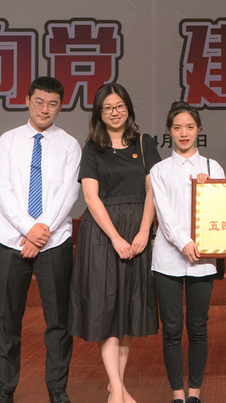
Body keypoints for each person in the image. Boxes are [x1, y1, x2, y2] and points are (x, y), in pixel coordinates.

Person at [0, 77, 81, 403]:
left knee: (58, 320)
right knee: (7, 318)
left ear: (61, 106)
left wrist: (41, 233)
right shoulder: (8, 140)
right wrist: (29, 229)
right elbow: (2, 190)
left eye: (52, 104)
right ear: (27, 100)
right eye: (39, 102)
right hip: (11, 240)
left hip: (54, 242)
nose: (45, 109)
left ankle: (57, 388)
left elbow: (69, 194)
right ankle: (4, 389)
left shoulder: (69, 145)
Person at [68, 83, 160, 403]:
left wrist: (143, 232)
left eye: (119, 106)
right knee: (105, 308)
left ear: (128, 108)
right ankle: (117, 389)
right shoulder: (92, 148)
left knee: (128, 310)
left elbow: (152, 190)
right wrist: (116, 237)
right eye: (107, 107)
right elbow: (91, 197)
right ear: (99, 113)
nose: (114, 112)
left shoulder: (144, 143)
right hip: (102, 236)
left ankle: (116, 386)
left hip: (137, 231)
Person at [150, 101, 224, 403]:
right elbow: (164, 215)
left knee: (197, 328)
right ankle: (177, 394)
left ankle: (194, 392)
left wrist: (211, 188)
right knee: (171, 329)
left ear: (199, 130)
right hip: (167, 258)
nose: (184, 133)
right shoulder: (159, 170)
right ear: (169, 131)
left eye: (190, 127)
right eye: (178, 127)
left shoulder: (213, 168)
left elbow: (224, 210)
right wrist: (184, 242)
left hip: (203, 259)